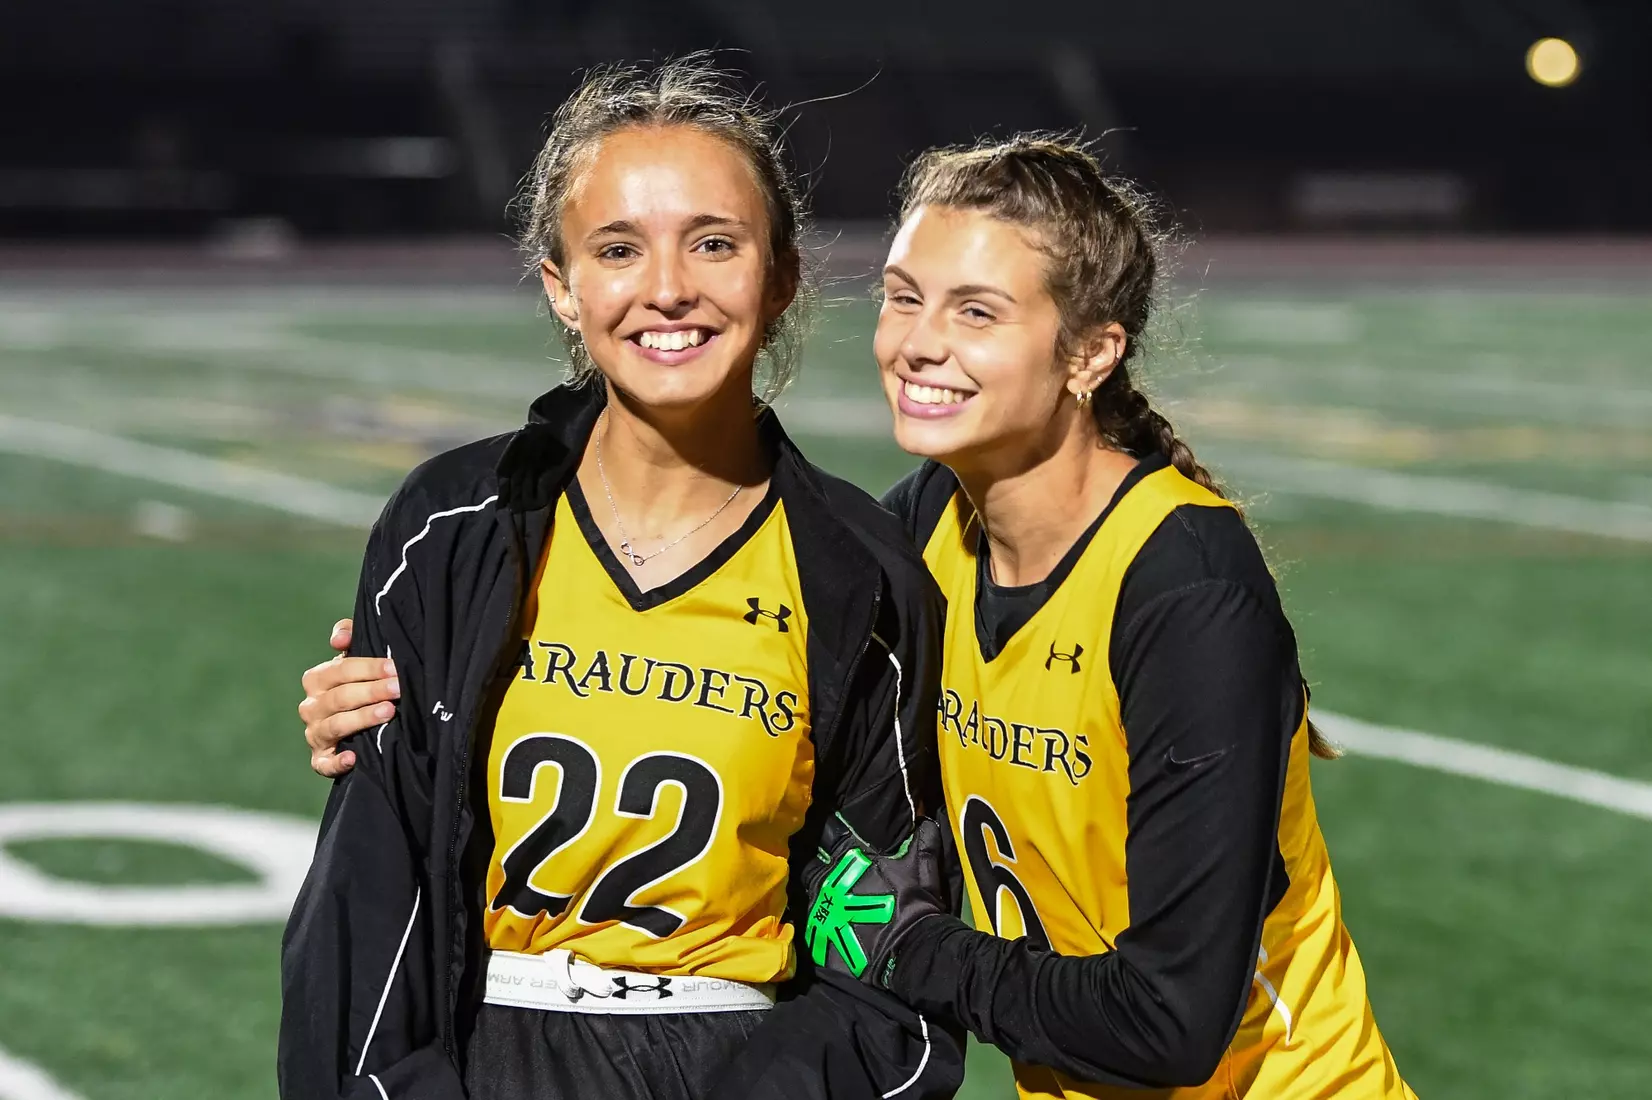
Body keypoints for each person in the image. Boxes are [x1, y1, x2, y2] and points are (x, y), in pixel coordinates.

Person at [300, 136, 1418, 1098]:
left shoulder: (1185, 587)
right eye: (902, 296)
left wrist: (906, 946)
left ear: (1089, 352)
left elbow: (1168, 1022)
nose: (919, 342)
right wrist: (405, 707)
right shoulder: (915, 534)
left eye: (976, 311)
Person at [279, 56, 962, 1100]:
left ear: (781, 275)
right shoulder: (450, 528)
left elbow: (886, 963)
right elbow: (370, 900)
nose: (668, 288)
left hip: (737, 1067)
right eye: (617, 248)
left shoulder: (859, 577)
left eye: (714, 243)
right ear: (562, 285)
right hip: (483, 1057)